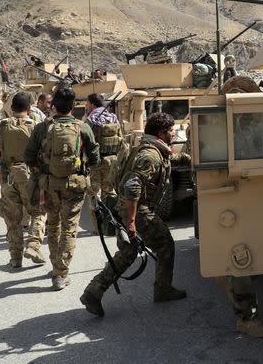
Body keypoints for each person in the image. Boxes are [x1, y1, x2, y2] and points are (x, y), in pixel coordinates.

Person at [80, 112, 189, 316]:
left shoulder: (151, 149)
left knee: (127, 254)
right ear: (161, 132)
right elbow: (132, 187)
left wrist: (190, 159)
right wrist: (131, 222)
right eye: (171, 130)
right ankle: (163, 290)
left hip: (127, 208)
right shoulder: (149, 156)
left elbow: (170, 158)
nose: (174, 133)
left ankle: (93, 292)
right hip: (137, 211)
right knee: (166, 245)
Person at [24, 86, 99, 290]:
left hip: (49, 186)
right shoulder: (82, 127)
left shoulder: (42, 128)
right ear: (74, 106)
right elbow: (94, 157)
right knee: (69, 228)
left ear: (54, 105)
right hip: (74, 186)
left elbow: (29, 156)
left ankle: (57, 266)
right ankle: (60, 273)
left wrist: (42, 170)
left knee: (53, 226)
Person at [0, 93, 47, 268]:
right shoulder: (37, 126)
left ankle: (15, 258)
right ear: (29, 109)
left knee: (12, 218)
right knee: (38, 211)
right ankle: (34, 245)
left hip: (8, 177)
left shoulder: (1, 125)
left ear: (12, 109)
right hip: (31, 177)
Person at [84, 93, 122, 235]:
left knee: (94, 193)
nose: (87, 106)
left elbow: (85, 141)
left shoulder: (91, 119)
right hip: (112, 160)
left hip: (96, 161)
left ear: (93, 104)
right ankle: (113, 225)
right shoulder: (113, 117)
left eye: (87, 104)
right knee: (110, 191)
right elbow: (121, 139)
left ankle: (98, 227)